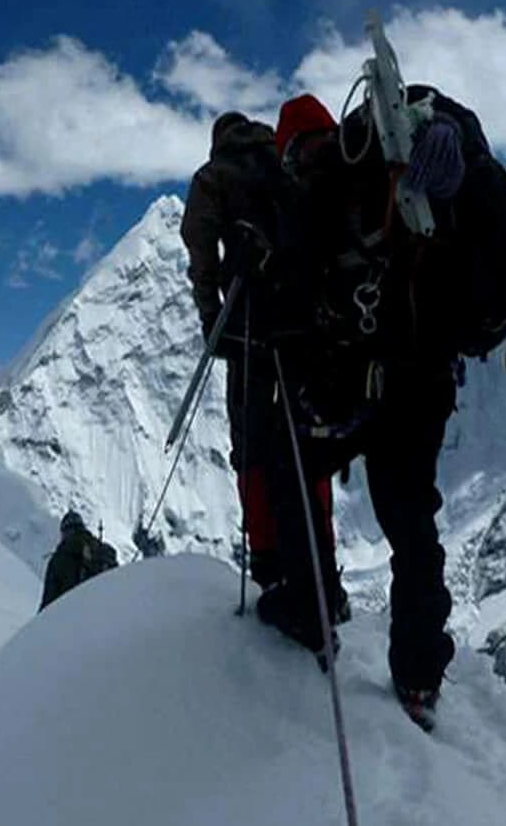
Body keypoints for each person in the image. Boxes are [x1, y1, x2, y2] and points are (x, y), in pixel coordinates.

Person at [179, 106, 348, 662]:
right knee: (304, 449)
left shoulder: (214, 178)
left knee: (251, 446)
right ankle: (327, 579)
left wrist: (212, 321)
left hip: (249, 331)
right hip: (303, 331)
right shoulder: (287, 167)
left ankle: (274, 566)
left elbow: (200, 251)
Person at [38, 511, 118, 611]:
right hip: (106, 611)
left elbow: (48, 601)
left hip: (71, 616)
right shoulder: (103, 551)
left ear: (65, 532)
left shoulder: (59, 559)